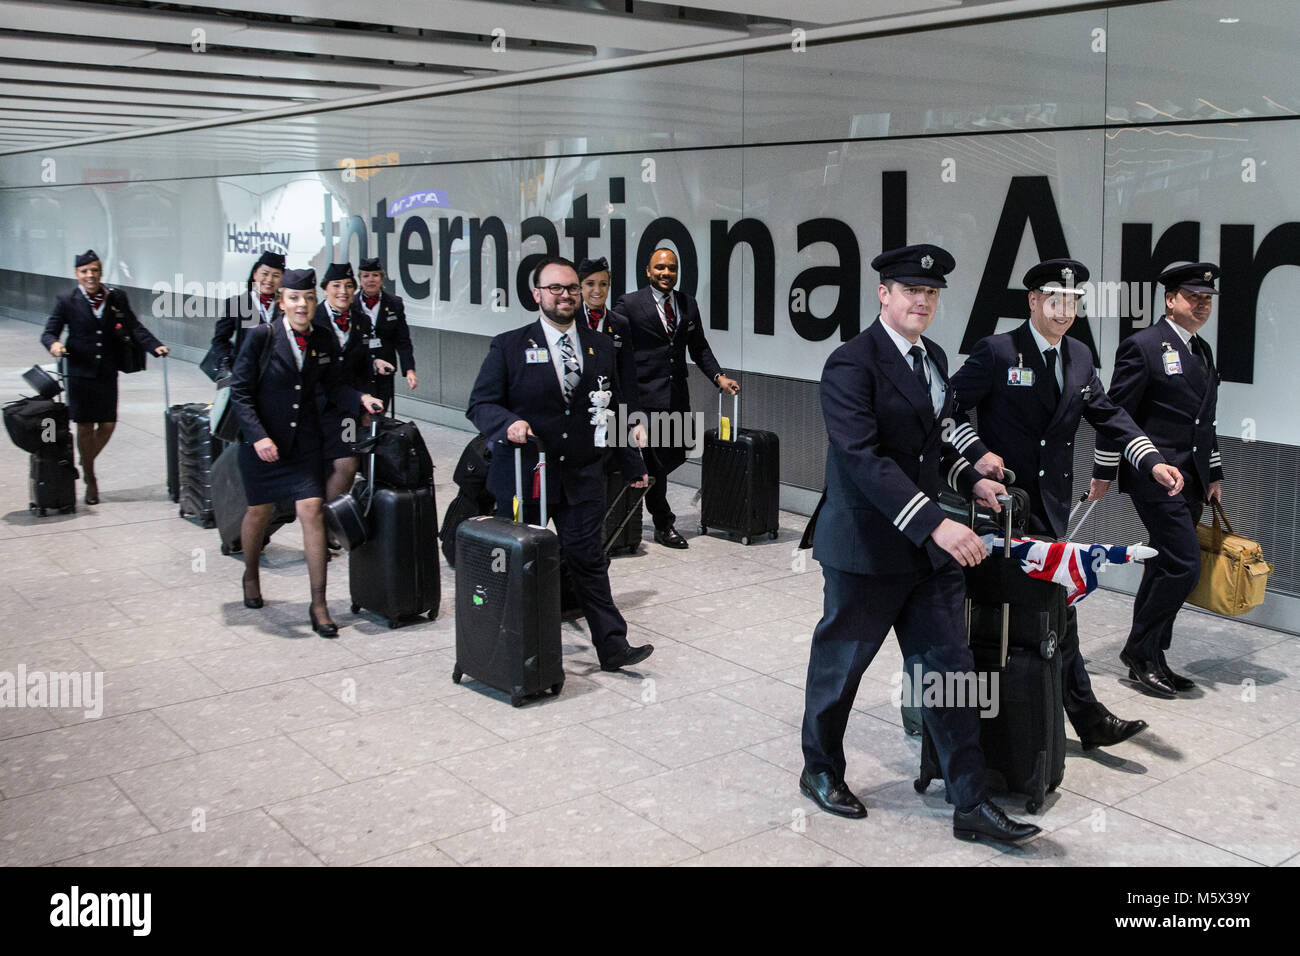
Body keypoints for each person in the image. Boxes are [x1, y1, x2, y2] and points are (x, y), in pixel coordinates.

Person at [797, 243, 1039, 844]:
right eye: (911, 291)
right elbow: (864, 459)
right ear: (884, 294)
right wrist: (937, 521)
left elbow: (932, 449)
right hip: (866, 551)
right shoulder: (851, 363)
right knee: (841, 669)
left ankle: (971, 802)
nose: (923, 302)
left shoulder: (930, 356)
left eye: (930, 293)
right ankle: (820, 771)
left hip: (927, 555)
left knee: (948, 674)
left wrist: (972, 480)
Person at [949, 258, 1185, 748]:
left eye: (1075, 302)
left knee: (1050, 607)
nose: (1065, 310)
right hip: (1003, 505)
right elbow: (947, 408)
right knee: (1033, 609)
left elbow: (1109, 415)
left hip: (1050, 507)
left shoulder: (1079, 356)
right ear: (1033, 300)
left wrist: (1150, 460)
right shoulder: (996, 352)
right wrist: (977, 455)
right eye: (1055, 299)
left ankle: (1075, 717)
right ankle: (1071, 717)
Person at [467, 256, 654, 672]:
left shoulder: (600, 346)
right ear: (537, 295)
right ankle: (496, 645)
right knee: (514, 562)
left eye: (571, 288)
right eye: (555, 288)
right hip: (526, 474)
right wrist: (507, 423)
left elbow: (614, 408)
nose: (565, 295)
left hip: (582, 476)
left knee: (589, 559)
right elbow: (479, 404)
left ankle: (612, 646)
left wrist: (632, 462)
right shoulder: (509, 346)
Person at [229, 268, 384, 636]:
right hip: (262, 445)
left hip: (304, 445)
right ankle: (250, 573)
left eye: (309, 298)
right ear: (282, 303)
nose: (303, 305)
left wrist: (360, 397)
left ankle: (319, 604)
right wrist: (259, 437)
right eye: (295, 298)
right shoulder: (260, 337)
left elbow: (333, 388)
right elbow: (240, 392)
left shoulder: (323, 340)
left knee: (311, 511)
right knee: (259, 511)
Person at [1097, 262, 1225, 697]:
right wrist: (1104, 471)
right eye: (1193, 297)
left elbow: (1204, 420)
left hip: (1192, 477)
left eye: (1207, 298)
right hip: (1155, 473)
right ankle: (1139, 650)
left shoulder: (1202, 350)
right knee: (1185, 565)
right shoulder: (1143, 346)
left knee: (1165, 562)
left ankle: (1153, 655)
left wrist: (1215, 473)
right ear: (1170, 300)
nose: (1202, 304)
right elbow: (1116, 414)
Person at [617, 248, 739, 548]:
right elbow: (616, 349)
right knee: (657, 462)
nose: (666, 273)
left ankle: (640, 487)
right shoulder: (629, 304)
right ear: (648, 271)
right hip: (643, 398)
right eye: (659, 268)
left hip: (675, 395)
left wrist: (718, 377)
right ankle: (664, 523)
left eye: (671, 268)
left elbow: (699, 347)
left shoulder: (687, 303)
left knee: (677, 454)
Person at [41, 249, 169, 505]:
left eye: (95, 270)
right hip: (78, 371)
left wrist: (154, 345)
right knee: (85, 426)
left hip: (106, 371)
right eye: (85, 271)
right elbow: (49, 332)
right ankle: (91, 478)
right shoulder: (67, 300)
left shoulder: (115, 297)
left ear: (101, 272)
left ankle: (85, 461)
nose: (91, 275)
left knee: (108, 424)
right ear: (77, 274)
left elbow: (134, 326)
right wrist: (54, 345)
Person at [312, 262, 378, 504]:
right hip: (314, 409)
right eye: (336, 285)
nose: (343, 291)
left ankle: (327, 522)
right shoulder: (311, 320)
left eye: (349, 286)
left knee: (348, 463)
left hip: (346, 409)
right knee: (316, 470)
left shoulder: (362, 322)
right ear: (325, 289)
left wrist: (364, 407)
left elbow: (364, 371)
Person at [207, 251, 284, 377]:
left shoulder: (286, 306)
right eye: (264, 274)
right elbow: (220, 339)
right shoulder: (237, 303)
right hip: (245, 375)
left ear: (282, 279)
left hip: (276, 376)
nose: (269, 280)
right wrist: (229, 362)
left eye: (276, 275)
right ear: (255, 274)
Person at [356, 257, 417, 414]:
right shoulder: (351, 305)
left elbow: (403, 341)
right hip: (359, 369)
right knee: (362, 414)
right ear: (360, 279)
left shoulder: (394, 303)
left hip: (386, 370)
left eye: (375, 275)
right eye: (366, 276)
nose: (371, 280)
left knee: (381, 412)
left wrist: (409, 369)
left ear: (382, 278)